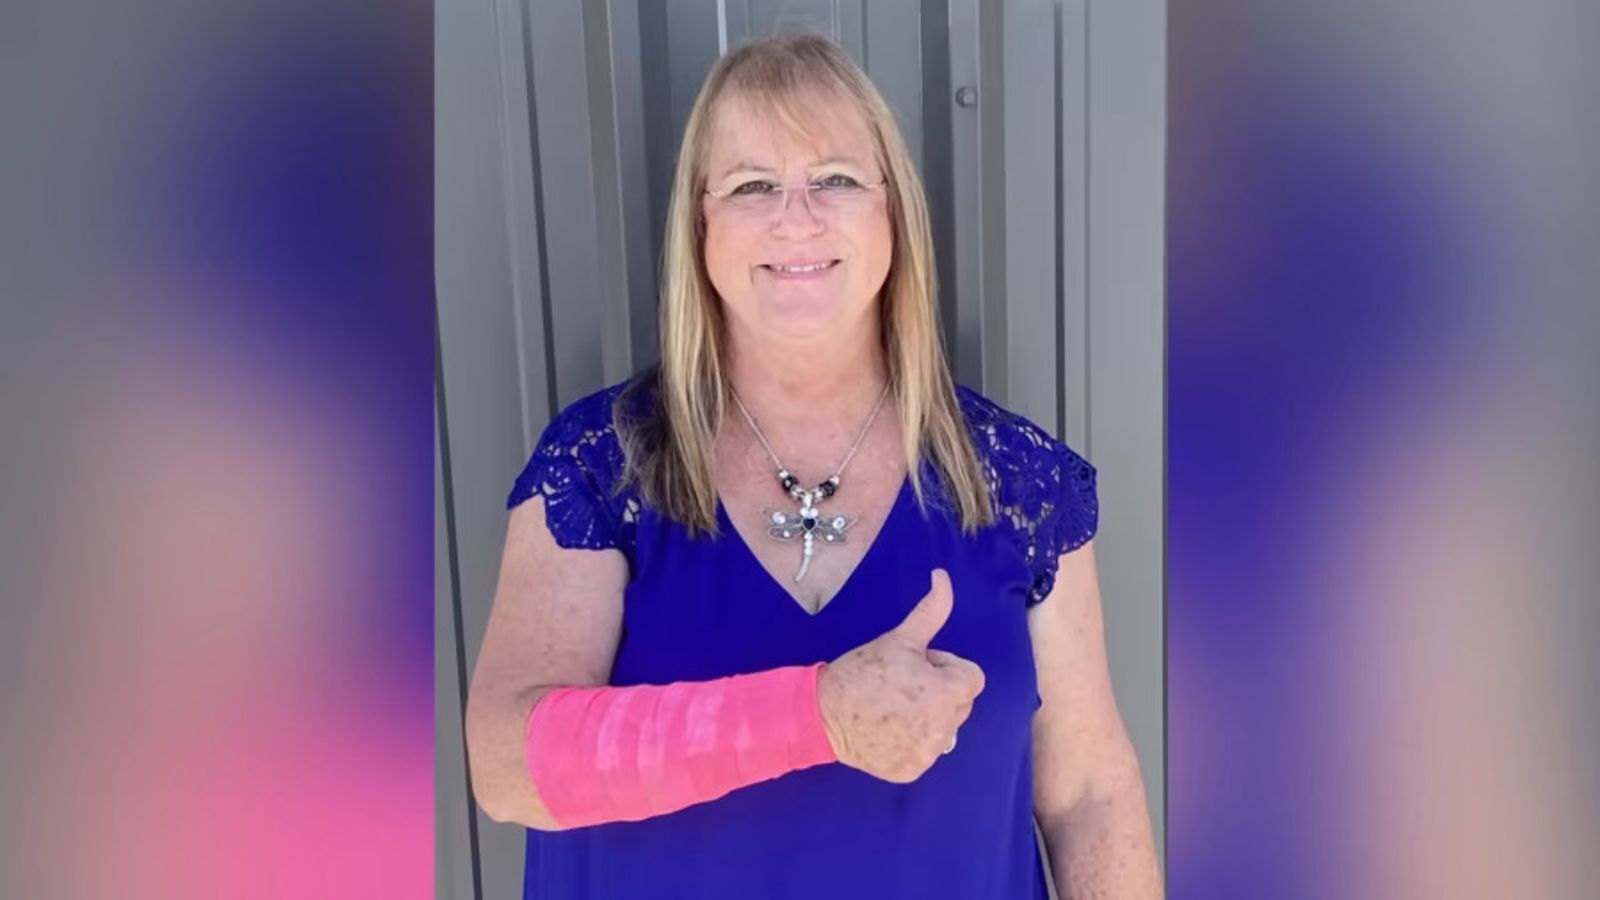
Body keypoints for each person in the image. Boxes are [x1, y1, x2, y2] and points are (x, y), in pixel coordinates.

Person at [465, 32, 1162, 899]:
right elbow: (507, 767)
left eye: (835, 179)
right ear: (701, 226)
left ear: (893, 213)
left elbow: (1091, 796)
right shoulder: (603, 466)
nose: (796, 218)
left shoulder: (1018, 484)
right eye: (752, 186)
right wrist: (816, 715)